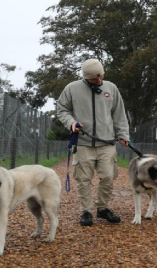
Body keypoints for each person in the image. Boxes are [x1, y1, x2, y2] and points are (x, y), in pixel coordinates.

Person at [57, 59, 129, 226]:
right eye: (93, 79)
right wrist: (71, 123)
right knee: (83, 179)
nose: (98, 81)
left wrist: (123, 135)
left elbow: (119, 114)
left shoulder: (111, 88)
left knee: (108, 177)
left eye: (100, 77)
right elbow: (62, 109)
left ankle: (103, 208)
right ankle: (86, 211)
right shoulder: (71, 89)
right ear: (85, 77)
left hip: (107, 142)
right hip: (83, 143)